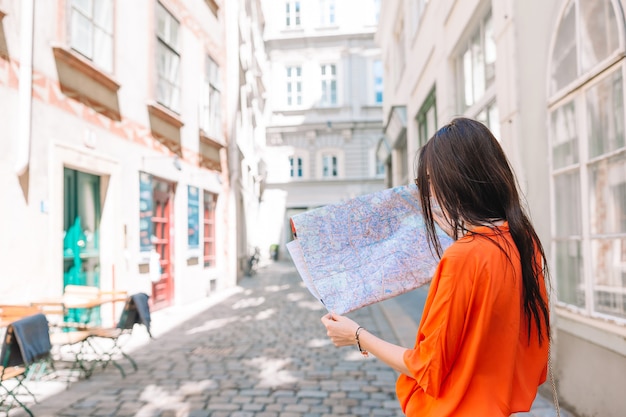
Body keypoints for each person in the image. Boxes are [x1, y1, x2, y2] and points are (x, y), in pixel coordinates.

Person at [321, 117, 551, 416]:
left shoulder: (464, 257)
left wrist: (357, 335)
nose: (429, 194)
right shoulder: (524, 241)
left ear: (455, 181)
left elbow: (428, 367)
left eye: (429, 181)